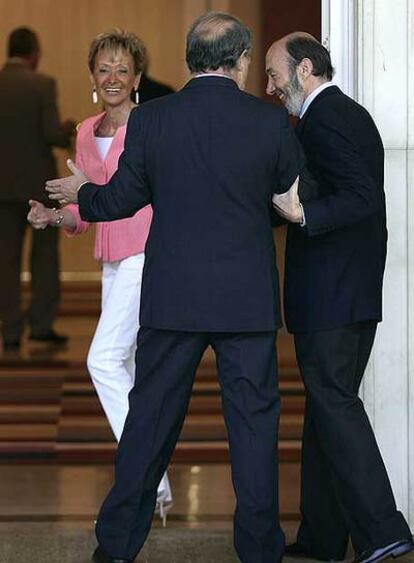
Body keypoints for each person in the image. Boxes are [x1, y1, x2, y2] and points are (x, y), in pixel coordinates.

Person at [45, 12, 306, 563]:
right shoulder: (268, 122)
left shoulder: (153, 120)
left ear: (191, 61)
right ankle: (261, 549)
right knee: (254, 428)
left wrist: (79, 198)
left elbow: (121, 199)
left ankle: (116, 546)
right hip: (245, 300)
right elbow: (285, 203)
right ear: (241, 61)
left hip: (173, 297)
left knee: (149, 424)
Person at [267, 33, 414, 563]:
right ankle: (322, 538)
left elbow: (361, 197)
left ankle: (382, 530)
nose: (270, 87)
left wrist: (302, 215)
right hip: (349, 293)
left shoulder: (325, 117)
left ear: (304, 69)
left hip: (331, 295)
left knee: (333, 404)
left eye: (274, 75)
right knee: (326, 408)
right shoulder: (348, 113)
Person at [27, 29, 172, 520]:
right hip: (111, 260)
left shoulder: (151, 124)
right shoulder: (86, 131)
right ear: (93, 77)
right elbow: (86, 211)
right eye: (104, 69)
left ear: (136, 79)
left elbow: (146, 193)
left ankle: (145, 474)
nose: (113, 77)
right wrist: (56, 217)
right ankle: (156, 481)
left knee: (102, 361)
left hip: (147, 254)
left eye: (122, 70)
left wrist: (87, 189)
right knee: (124, 368)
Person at [0, 27, 75, 350]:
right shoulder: (43, 85)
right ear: (34, 52)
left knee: (6, 260)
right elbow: (50, 134)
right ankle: (42, 325)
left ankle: (11, 330)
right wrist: (67, 130)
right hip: (40, 188)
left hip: (2, 189)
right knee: (44, 258)